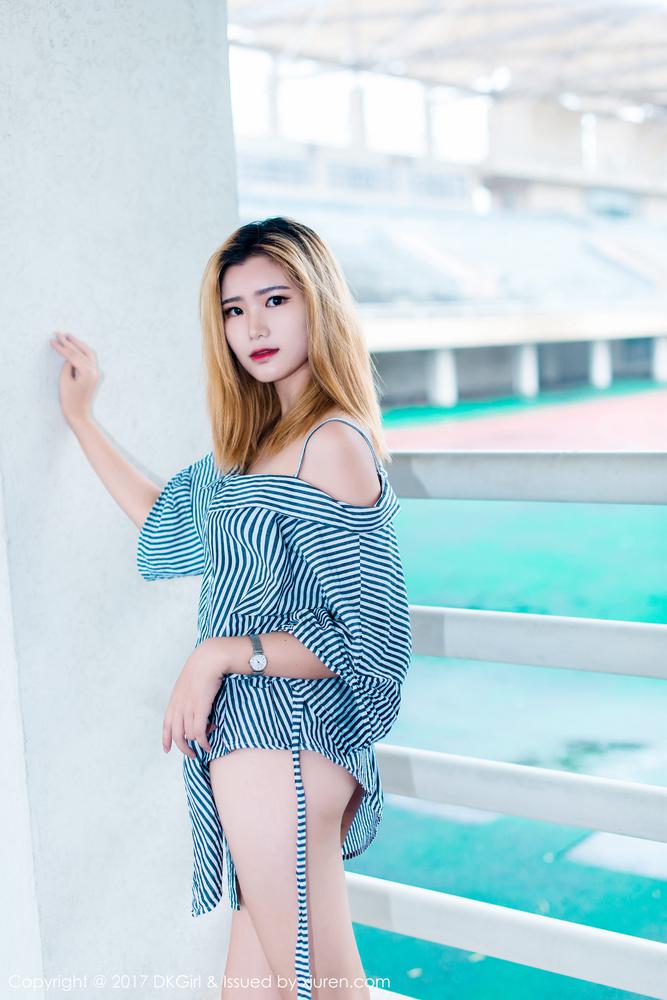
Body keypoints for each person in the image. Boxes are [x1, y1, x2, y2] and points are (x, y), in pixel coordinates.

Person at [49, 216, 412, 1000]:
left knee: (323, 989)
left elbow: (374, 642)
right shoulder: (250, 449)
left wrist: (221, 653)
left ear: (317, 303)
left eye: (275, 300)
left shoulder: (331, 443)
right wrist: (81, 420)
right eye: (234, 309)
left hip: (289, 744)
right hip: (247, 748)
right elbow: (163, 519)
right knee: (252, 993)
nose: (254, 327)